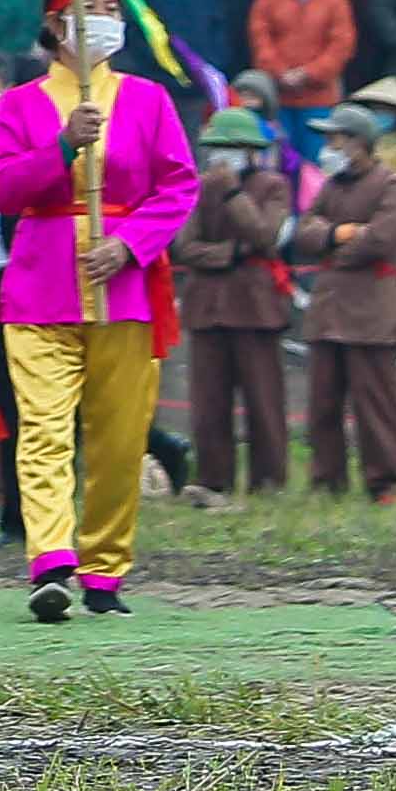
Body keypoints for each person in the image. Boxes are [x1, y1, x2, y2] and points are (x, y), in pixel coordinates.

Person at [0, 0, 195, 620]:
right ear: (54, 25)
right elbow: (3, 190)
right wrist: (61, 145)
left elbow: (178, 185)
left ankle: (105, 566)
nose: (101, 17)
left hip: (122, 285)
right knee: (43, 428)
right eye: (87, 8)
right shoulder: (18, 104)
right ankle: (50, 557)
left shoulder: (147, 98)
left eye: (109, 7)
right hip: (40, 283)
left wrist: (130, 243)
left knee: (117, 434)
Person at [284, 90, 396, 501]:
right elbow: (304, 233)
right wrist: (338, 234)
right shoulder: (331, 187)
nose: (328, 148)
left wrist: (334, 242)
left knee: (376, 403)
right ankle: (328, 483)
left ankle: (389, 482)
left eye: (335, 140)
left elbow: (381, 239)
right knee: (323, 402)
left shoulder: (391, 185)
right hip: (329, 310)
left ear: (358, 142)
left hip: (372, 313)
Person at [170, 106, 296, 498]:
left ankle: (269, 481)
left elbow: (264, 236)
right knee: (208, 401)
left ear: (252, 151)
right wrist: (231, 253)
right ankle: (212, 480)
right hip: (206, 309)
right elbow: (184, 247)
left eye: (233, 148)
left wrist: (233, 194)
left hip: (256, 308)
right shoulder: (195, 187)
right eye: (216, 148)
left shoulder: (273, 186)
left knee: (264, 399)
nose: (223, 156)